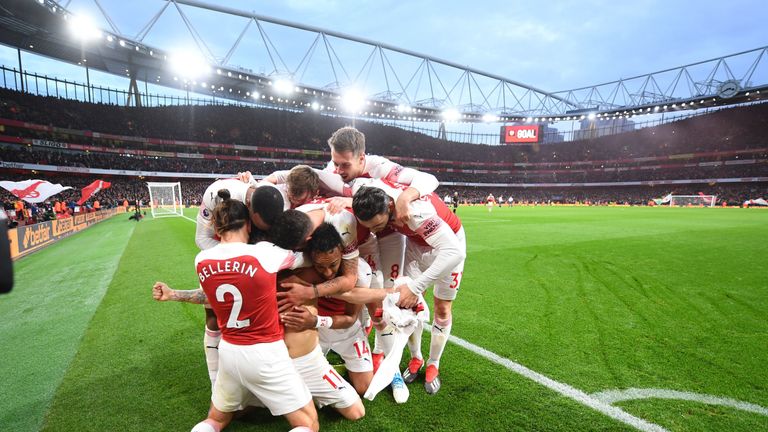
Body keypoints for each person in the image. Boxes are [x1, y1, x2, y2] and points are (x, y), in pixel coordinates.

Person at [161, 190, 318, 432]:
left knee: (215, 420)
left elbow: (209, 297)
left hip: (229, 353)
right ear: (248, 224)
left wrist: (174, 294)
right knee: (308, 422)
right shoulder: (265, 253)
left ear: (216, 227)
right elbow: (301, 255)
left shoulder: (201, 260)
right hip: (266, 352)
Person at [352, 180, 466, 395]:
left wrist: (415, 287)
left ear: (389, 207)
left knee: (442, 309)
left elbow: (454, 253)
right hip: (416, 245)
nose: (375, 231)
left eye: (377, 226)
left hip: (448, 249)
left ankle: (434, 363)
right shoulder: (371, 191)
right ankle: (417, 358)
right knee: (405, 306)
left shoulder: (415, 212)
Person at [280, 223, 374, 396]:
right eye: (320, 266)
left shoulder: (360, 272)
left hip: (346, 331)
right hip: (315, 332)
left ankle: (342, 364)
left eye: (333, 264)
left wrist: (316, 319)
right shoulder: (304, 270)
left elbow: (351, 318)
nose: (328, 272)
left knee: (365, 388)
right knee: (296, 385)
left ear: (341, 251)